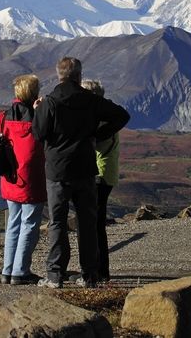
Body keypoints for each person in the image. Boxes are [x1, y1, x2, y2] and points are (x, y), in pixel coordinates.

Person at [32, 57, 130, 288]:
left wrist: (38, 112)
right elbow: (122, 116)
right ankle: (91, 275)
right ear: (79, 76)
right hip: (85, 168)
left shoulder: (51, 101)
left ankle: (55, 275)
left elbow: (38, 134)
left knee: (57, 223)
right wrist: (98, 136)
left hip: (58, 171)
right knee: (88, 222)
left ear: (59, 76)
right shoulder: (92, 101)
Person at [0, 74, 47, 286]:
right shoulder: (39, 116)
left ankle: (7, 270)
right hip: (33, 178)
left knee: (13, 224)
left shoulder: (4, 117)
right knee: (29, 224)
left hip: (11, 178)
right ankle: (21, 272)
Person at [82, 79, 119, 283]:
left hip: (99, 173)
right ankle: (101, 270)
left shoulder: (100, 119)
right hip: (106, 173)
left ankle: (100, 271)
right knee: (97, 222)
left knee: (95, 224)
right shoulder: (108, 116)